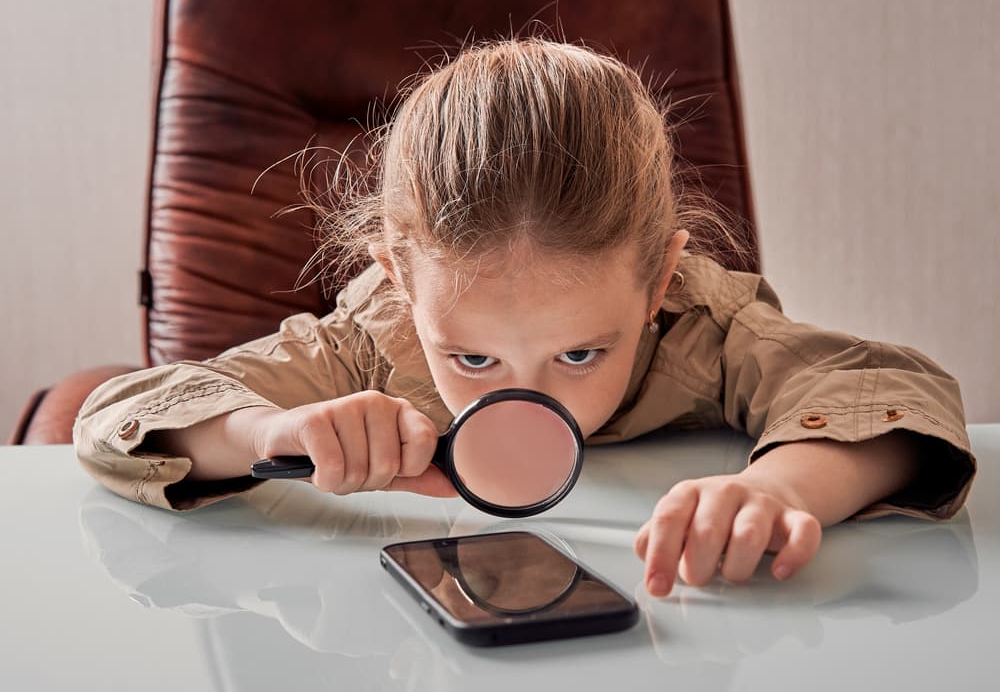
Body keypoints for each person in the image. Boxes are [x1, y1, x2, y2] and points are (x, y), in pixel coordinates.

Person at [74, 37, 976, 598]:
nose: (526, 399)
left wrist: (782, 489)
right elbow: (120, 417)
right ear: (397, 278)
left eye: (581, 350)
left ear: (658, 276)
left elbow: (893, 393)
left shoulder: (702, 324)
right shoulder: (371, 336)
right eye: (468, 358)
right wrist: (268, 426)